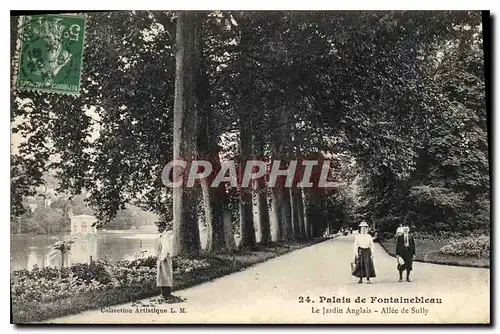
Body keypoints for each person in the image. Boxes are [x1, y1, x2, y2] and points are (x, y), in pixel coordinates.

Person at [157, 224, 174, 300]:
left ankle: (166, 294)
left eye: (159, 227)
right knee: (163, 276)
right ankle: (164, 294)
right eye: (158, 227)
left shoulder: (165, 236)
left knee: (165, 275)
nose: (158, 229)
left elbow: (166, 248)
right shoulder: (163, 235)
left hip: (164, 258)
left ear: (163, 227)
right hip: (163, 257)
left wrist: (162, 259)